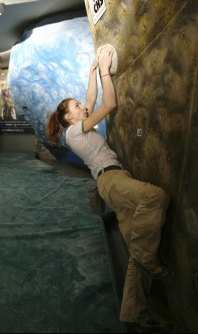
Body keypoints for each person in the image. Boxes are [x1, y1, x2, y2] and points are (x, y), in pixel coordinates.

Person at [46, 46, 172, 333]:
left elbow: (91, 99)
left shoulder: (78, 128)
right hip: (111, 182)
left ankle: (134, 314)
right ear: (69, 118)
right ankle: (150, 262)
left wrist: (91, 71)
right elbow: (108, 103)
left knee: (135, 256)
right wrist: (105, 70)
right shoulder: (75, 131)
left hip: (114, 182)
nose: (83, 106)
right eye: (76, 107)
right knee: (156, 197)